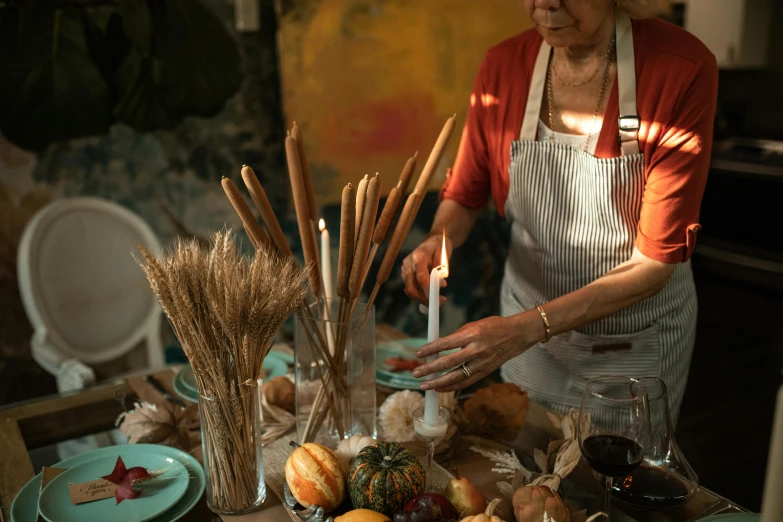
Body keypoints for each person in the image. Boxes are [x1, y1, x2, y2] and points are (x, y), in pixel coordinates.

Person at [402, 0, 717, 422]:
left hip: (628, 346)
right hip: (525, 345)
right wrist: (434, 241)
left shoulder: (680, 66)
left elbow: (653, 265)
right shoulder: (503, 66)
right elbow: (463, 196)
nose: (546, 3)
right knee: (522, 472)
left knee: (614, 482)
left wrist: (526, 329)